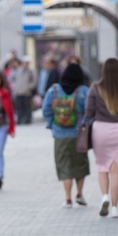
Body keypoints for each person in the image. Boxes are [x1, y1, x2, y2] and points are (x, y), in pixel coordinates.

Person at [85, 58, 118, 218]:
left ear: (103, 71)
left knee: (102, 167)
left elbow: (89, 112)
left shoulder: (95, 88)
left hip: (100, 129)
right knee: (117, 169)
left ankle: (104, 196)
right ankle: (115, 208)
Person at [42, 63, 91, 208]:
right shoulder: (83, 91)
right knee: (80, 164)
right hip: (78, 135)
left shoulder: (54, 90)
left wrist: (53, 125)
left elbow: (45, 110)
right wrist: (84, 125)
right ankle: (79, 194)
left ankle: (68, 198)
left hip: (60, 136)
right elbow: (89, 111)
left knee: (64, 166)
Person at [10, 58, 37, 125]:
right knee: (19, 106)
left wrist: (29, 87)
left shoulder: (31, 71)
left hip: (26, 92)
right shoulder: (18, 71)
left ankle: (28, 118)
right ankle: (20, 118)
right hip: (18, 92)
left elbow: (34, 81)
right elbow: (12, 79)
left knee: (27, 106)